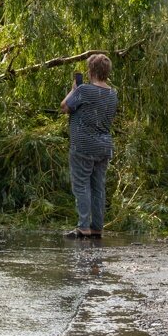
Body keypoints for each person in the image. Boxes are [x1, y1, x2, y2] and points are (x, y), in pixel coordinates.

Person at [60, 53, 118, 239]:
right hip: (104, 146)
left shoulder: (84, 90)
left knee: (81, 186)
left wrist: (73, 89)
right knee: (98, 187)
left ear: (91, 70)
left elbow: (65, 107)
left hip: (83, 146)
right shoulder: (113, 94)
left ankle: (83, 227)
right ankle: (97, 227)